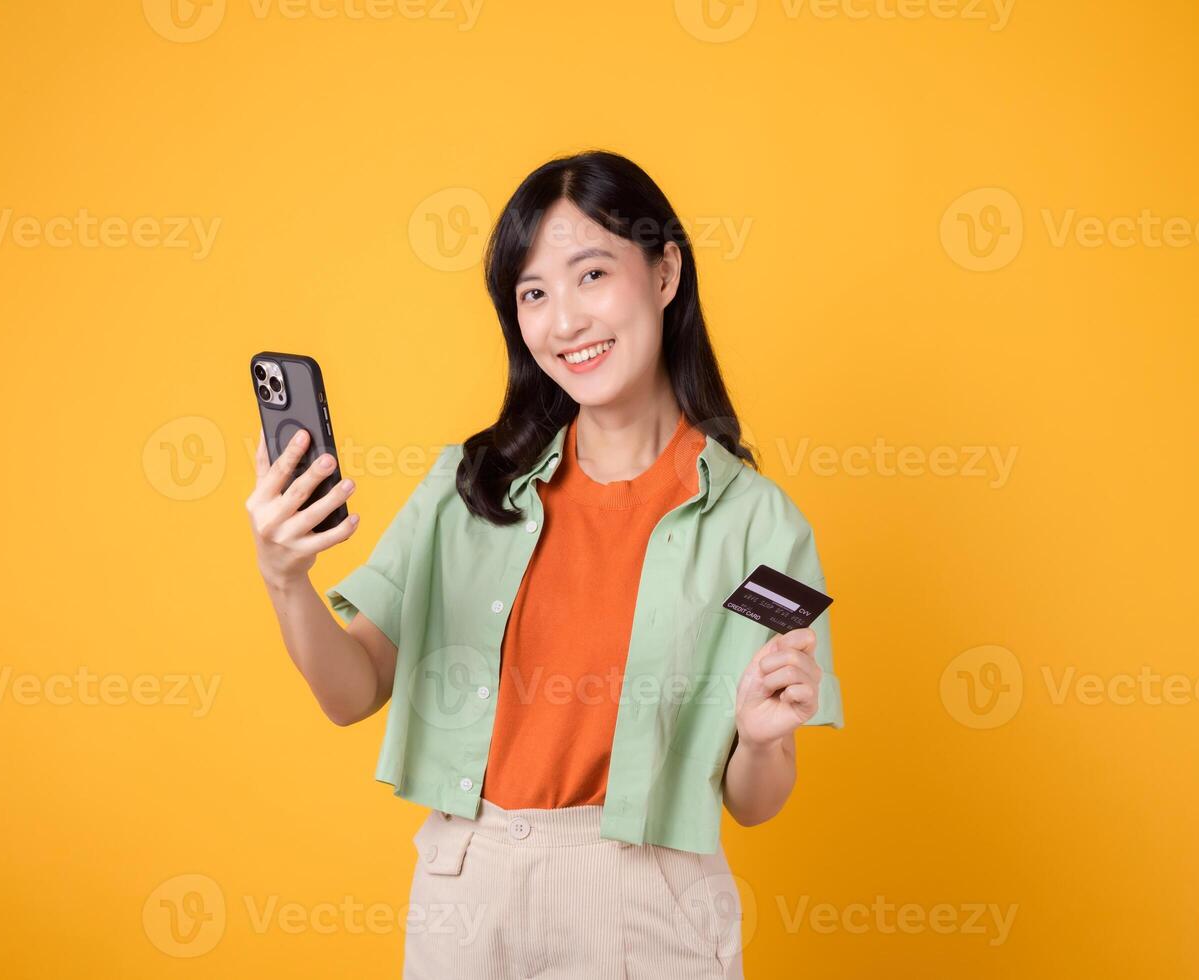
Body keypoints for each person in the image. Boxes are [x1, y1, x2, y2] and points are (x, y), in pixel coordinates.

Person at [246, 149, 844, 979]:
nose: (563, 322)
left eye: (590, 274)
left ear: (665, 272)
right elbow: (350, 693)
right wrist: (285, 577)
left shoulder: (762, 525)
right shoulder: (469, 485)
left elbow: (754, 803)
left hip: (649, 903)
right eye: (532, 293)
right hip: (468, 892)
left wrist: (764, 739)